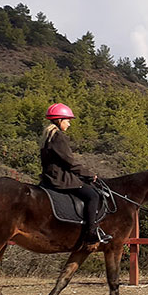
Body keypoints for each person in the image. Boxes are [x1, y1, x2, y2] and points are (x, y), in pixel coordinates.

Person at [40, 103, 112, 245]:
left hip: (48, 177)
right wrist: (89, 174)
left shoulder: (46, 136)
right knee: (93, 195)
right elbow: (69, 162)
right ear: (59, 120)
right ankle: (91, 232)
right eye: (67, 121)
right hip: (60, 179)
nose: (69, 124)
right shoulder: (58, 137)